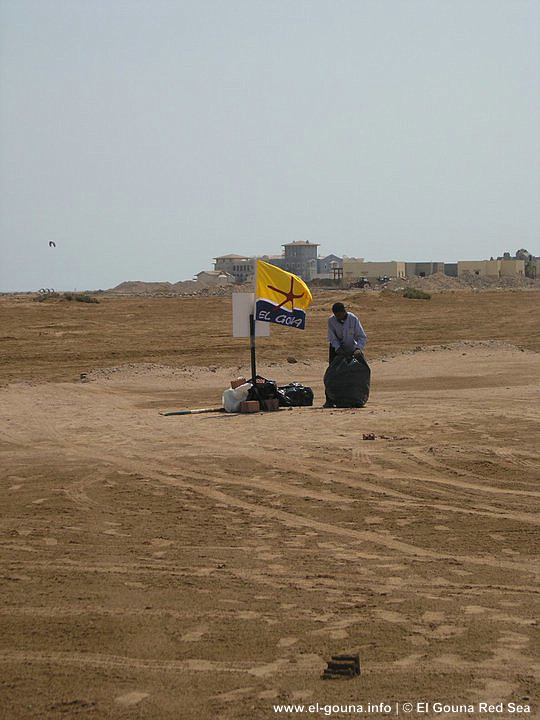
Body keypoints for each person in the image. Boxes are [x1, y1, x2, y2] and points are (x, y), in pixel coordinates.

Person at [324, 302, 368, 407]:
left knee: (355, 373)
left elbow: (361, 336)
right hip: (336, 349)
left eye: (340, 315)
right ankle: (330, 400)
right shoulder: (331, 321)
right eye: (337, 316)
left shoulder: (353, 319)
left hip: (352, 349)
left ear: (344, 312)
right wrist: (338, 348)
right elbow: (332, 337)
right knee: (332, 374)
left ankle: (356, 398)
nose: (339, 318)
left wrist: (358, 349)